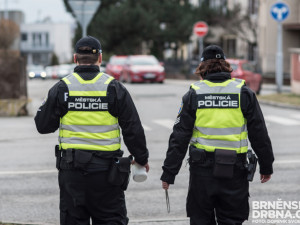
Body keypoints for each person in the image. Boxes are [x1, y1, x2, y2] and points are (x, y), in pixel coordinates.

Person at [35, 36, 149, 225]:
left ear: (75, 58)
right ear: (100, 58)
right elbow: (133, 128)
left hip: (72, 173)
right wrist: (141, 158)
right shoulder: (114, 88)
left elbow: (42, 125)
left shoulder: (62, 88)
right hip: (107, 173)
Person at [160, 45, 274, 225]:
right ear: (226, 66)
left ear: (202, 68)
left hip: (202, 171)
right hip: (235, 171)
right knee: (231, 220)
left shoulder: (194, 94)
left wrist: (169, 173)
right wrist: (267, 166)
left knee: (201, 220)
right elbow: (259, 132)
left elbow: (180, 136)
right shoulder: (243, 92)